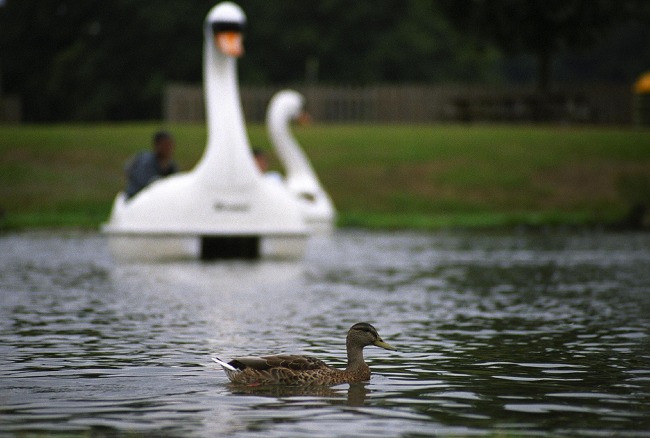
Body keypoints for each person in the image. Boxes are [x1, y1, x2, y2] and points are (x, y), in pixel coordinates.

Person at [124, 130, 179, 199]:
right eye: (165, 145)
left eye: (170, 145)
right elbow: (144, 184)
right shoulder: (146, 163)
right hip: (136, 199)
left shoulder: (171, 166)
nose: (168, 148)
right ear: (157, 145)